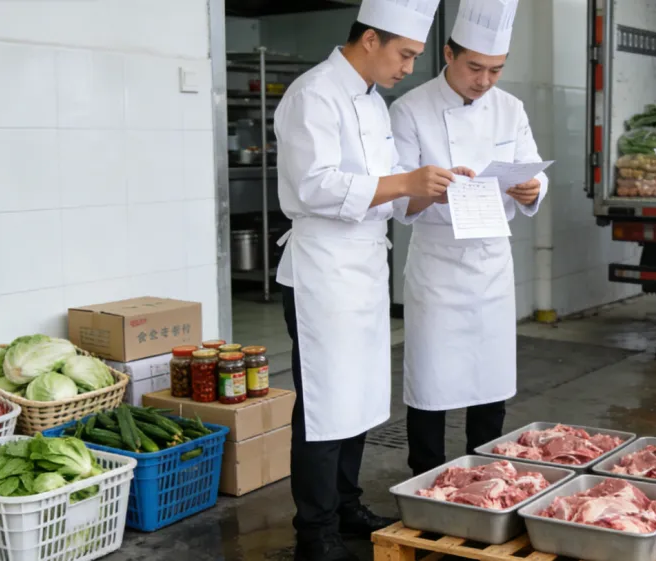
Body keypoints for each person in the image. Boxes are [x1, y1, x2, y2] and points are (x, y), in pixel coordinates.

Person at [272, 1, 458, 559]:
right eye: (405, 54)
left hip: (364, 267)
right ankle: (315, 531)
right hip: (322, 270)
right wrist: (406, 182)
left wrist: (429, 191)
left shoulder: (375, 102)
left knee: (357, 395)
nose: (409, 67)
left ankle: (346, 504)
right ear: (371, 39)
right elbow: (314, 185)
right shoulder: (314, 93)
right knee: (326, 401)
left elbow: (390, 195)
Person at [389, 0, 548, 476]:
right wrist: (429, 191)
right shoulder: (410, 108)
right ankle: (426, 477)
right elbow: (398, 200)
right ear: (448, 54)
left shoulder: (510, 108)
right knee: (431, 381)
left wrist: (532, 187)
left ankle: (489, 475)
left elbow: (533, 170)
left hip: (491, 260)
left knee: (490, 379)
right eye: (475, 67)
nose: (484, 81)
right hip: (438, 262)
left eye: (496, 70)